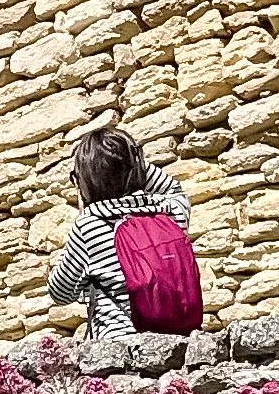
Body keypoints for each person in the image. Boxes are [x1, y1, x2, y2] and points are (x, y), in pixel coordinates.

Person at [48, 130, 197, 342]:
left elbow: (59, 292)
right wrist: (130, 162)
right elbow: (172, 188)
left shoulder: (89, 227)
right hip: (177, 343)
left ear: (84, 181)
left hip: (119, 347)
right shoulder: (170, 212)